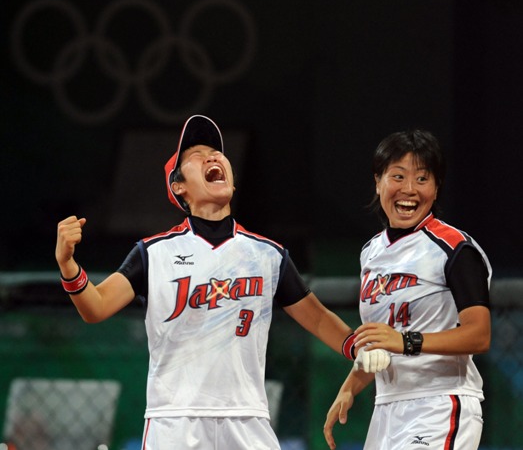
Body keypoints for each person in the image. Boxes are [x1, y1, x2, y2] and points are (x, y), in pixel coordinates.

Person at [55, 115, 389, 450]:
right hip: (175, 419)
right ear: (178, 186)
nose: (213, 157)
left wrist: (357, 347)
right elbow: (95, 307)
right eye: (197, 155)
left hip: (247, 418)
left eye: (217, 152)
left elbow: (316, 317)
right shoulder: (153, 253)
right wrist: (67, 263)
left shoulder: (268, 255)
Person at [323, 129, 492, 450]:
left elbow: (479, 335)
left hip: (440, 403)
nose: (409, 190)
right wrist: (350, 386)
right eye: (397, 176)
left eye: (423, 179)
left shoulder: (455, 248)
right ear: (378, 181)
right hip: (387, 407)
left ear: (437, 187)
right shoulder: (370, 252)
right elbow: (383, 343)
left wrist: (405, 341)